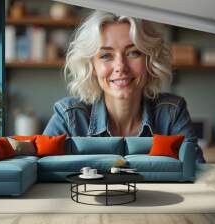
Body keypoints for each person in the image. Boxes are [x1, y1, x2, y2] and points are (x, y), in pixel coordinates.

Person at [43, 11, 205, 163]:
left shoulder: (172, 113)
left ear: (150, 60)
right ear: (92, 66)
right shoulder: (69, 117)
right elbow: (41, 175)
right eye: (106, 55)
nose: (120, 66)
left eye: (133, 53)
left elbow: (195, 174)